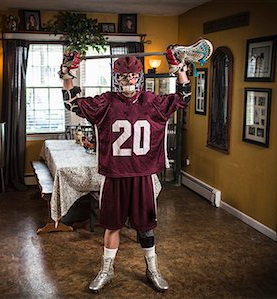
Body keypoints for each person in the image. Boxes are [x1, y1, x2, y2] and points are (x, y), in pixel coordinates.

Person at [59, 46, 191, 293]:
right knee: (112, 225)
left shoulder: (152, 101)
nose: (128, 80)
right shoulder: (106, 101)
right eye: (123, 76)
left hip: (143, 175)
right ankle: (107, 269)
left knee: (146, 227)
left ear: (139, 77)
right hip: (115, 175)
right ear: (116, 78)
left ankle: (152, 269)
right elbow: (72, 103)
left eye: (132, 76)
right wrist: (67, 74)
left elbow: (183, 98)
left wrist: (179, 70)